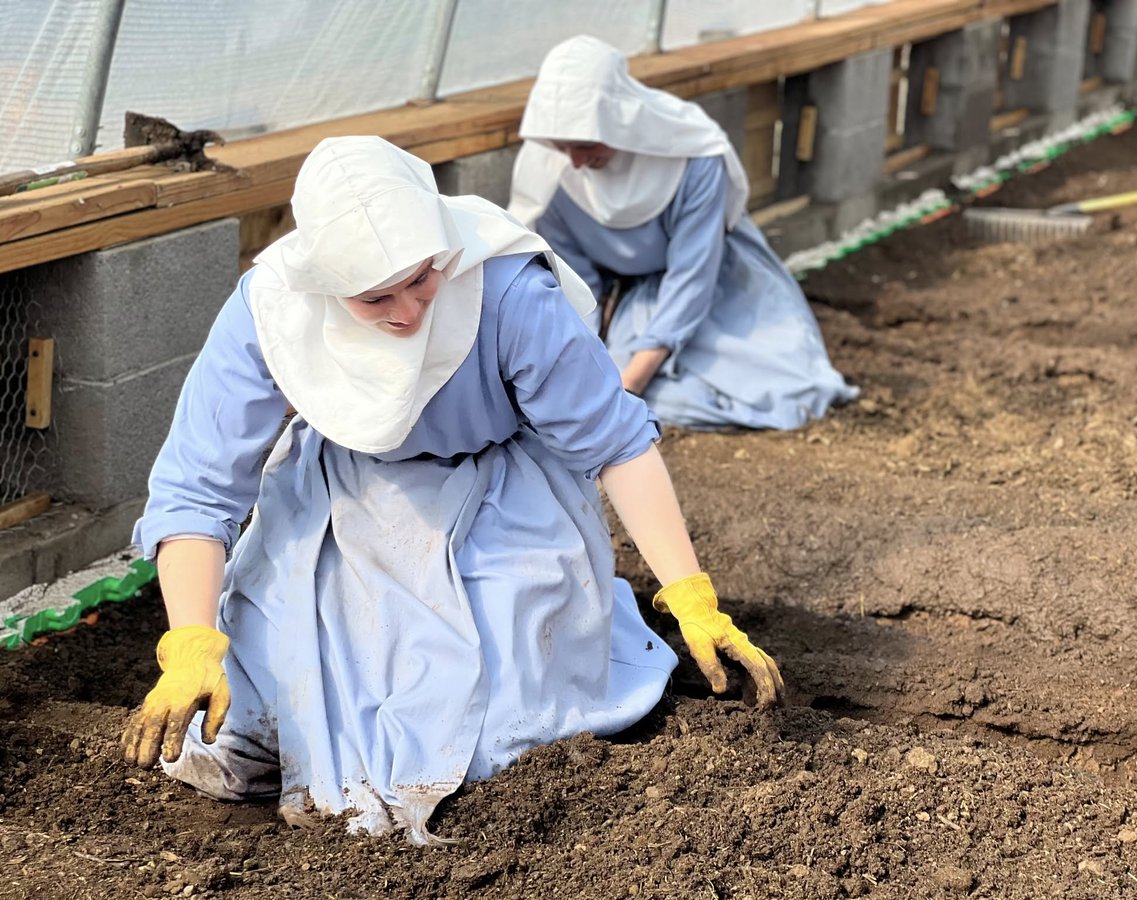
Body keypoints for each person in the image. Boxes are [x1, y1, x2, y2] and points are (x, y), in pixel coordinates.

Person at [120, 136, 783, 843]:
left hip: (503, 490)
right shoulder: (269, 309)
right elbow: (198, 485)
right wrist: (192, 638)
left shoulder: (507, 290)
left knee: (499, 730)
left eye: (422, 278)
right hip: (336, 498)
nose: (408, 310)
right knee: (259, 722)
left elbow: (617, 442)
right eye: (376, 297)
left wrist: (689, 594)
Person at [509, 35, 859, 430]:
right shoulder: (551, 173)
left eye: (587, 143)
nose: (575, 161)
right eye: (562, 145)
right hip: (635, 297)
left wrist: (630, 383)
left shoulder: (692, 153)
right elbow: (578, 286)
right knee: (636, 392)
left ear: (621, 119)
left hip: (718, 283)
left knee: (788, 390)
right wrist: (585, 359)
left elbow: (693, 274)